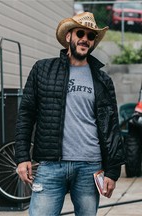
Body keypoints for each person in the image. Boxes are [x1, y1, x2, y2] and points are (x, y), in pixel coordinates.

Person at [15, 12, 125, 216]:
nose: (85, 39)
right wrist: (22, 157)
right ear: (69, 37)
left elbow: (112, 126)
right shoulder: (43, 69)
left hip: (90, 167)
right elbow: (26, 114)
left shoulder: (102, 80)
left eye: (91, 36)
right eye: (80, 33)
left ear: (93, 43)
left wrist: (112, 171)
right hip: (50, 166)